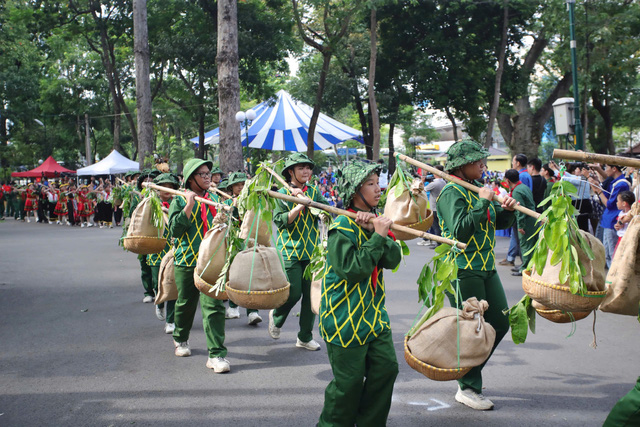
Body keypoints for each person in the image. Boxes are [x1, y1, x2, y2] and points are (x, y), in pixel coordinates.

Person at [317, 159, 401, 426]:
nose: (378, 189)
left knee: (386, 369)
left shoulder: (377, 223)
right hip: (344, 320)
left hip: (374, 318)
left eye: (378, 183)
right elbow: (353, 270)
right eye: (370, 184)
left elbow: (393, 260)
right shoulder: (340, 228)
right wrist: (376, 237)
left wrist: (378, 233)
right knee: (348, 384)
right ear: (355, 191)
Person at [437, 140, 517, 410]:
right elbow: (460, 231)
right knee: (472, 329)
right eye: (478, 161)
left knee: (500, 322)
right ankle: (469, 386)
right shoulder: (451, 192)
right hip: (462, 268)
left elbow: (498, 221)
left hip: (486, 267)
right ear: (462, 165)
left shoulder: (481, 191)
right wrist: (483, 203)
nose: (484, 164)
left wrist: (507, 209)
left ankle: (468, 372)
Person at [168, 158, 230, 372]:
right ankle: (181, 338)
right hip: (187, 260)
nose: (206, 177)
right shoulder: (178, 200)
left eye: (208, 174)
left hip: (212, 262)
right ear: (190, 178)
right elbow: (175, 231)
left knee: (214, 306)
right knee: (185, 303)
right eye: (201, 174)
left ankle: (216, 355)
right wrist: (189, 203)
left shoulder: (215, 198)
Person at [269, 153, 328, 351]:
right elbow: (281, 220)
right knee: (293, 293)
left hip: (312, 251)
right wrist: (298, 206)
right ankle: (277, 317)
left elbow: (325, 209)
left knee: (311, 298)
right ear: (290, 172)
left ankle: (304, 336)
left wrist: (322, 211)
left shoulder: (313, 190)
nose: (306, 172)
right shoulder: (281, 192)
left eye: (308, 168)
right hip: (289, 251)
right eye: (301, 168)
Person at [222, 171, 262, 324]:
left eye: (243, 184)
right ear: (231, 188)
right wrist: (233, 208)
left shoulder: (252, 202)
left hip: (250, 241)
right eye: (237, 185)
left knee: (252, 274)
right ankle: (233, 306)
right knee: (234, 274)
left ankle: (252, 311)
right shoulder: (227, 203)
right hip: (233, 242)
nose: (240, 187)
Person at [147, 173, 180, 334]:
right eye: (163, 186)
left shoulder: (179, 203)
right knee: (157, 283)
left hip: (174, 249)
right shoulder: (150, 203)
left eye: (170, 186)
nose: (167, 189)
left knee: (172, 285)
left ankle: (170, 321)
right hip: (156, 250)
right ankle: (159, 302)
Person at [590, 164, 630, 268]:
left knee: (613, 254)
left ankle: (613, 277)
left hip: (613, 221)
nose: (605, 170)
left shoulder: (621, 184)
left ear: (614, 168)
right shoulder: (614, 182)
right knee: (607, 253)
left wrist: (599, 191)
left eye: (606, 168)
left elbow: (608, 203)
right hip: (607, 220)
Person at [504, 169, 537, 276]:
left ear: (508, 181)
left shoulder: (517, 191)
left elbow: (520, 209)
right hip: (532, 219)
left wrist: (520, 226)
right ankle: (527, 265)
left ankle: (525, 268)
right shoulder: (523, 187)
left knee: (525, 245)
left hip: (526, 221)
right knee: (530, 245)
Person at [419, 164, 446, 248]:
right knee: (439, 225)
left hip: (434, 207)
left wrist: (422, 182)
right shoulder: (443, 181)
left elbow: (422, 190)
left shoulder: (435, 183)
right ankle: (440, 242)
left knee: (436, 226)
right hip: (440, 206)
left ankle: (438, 243)